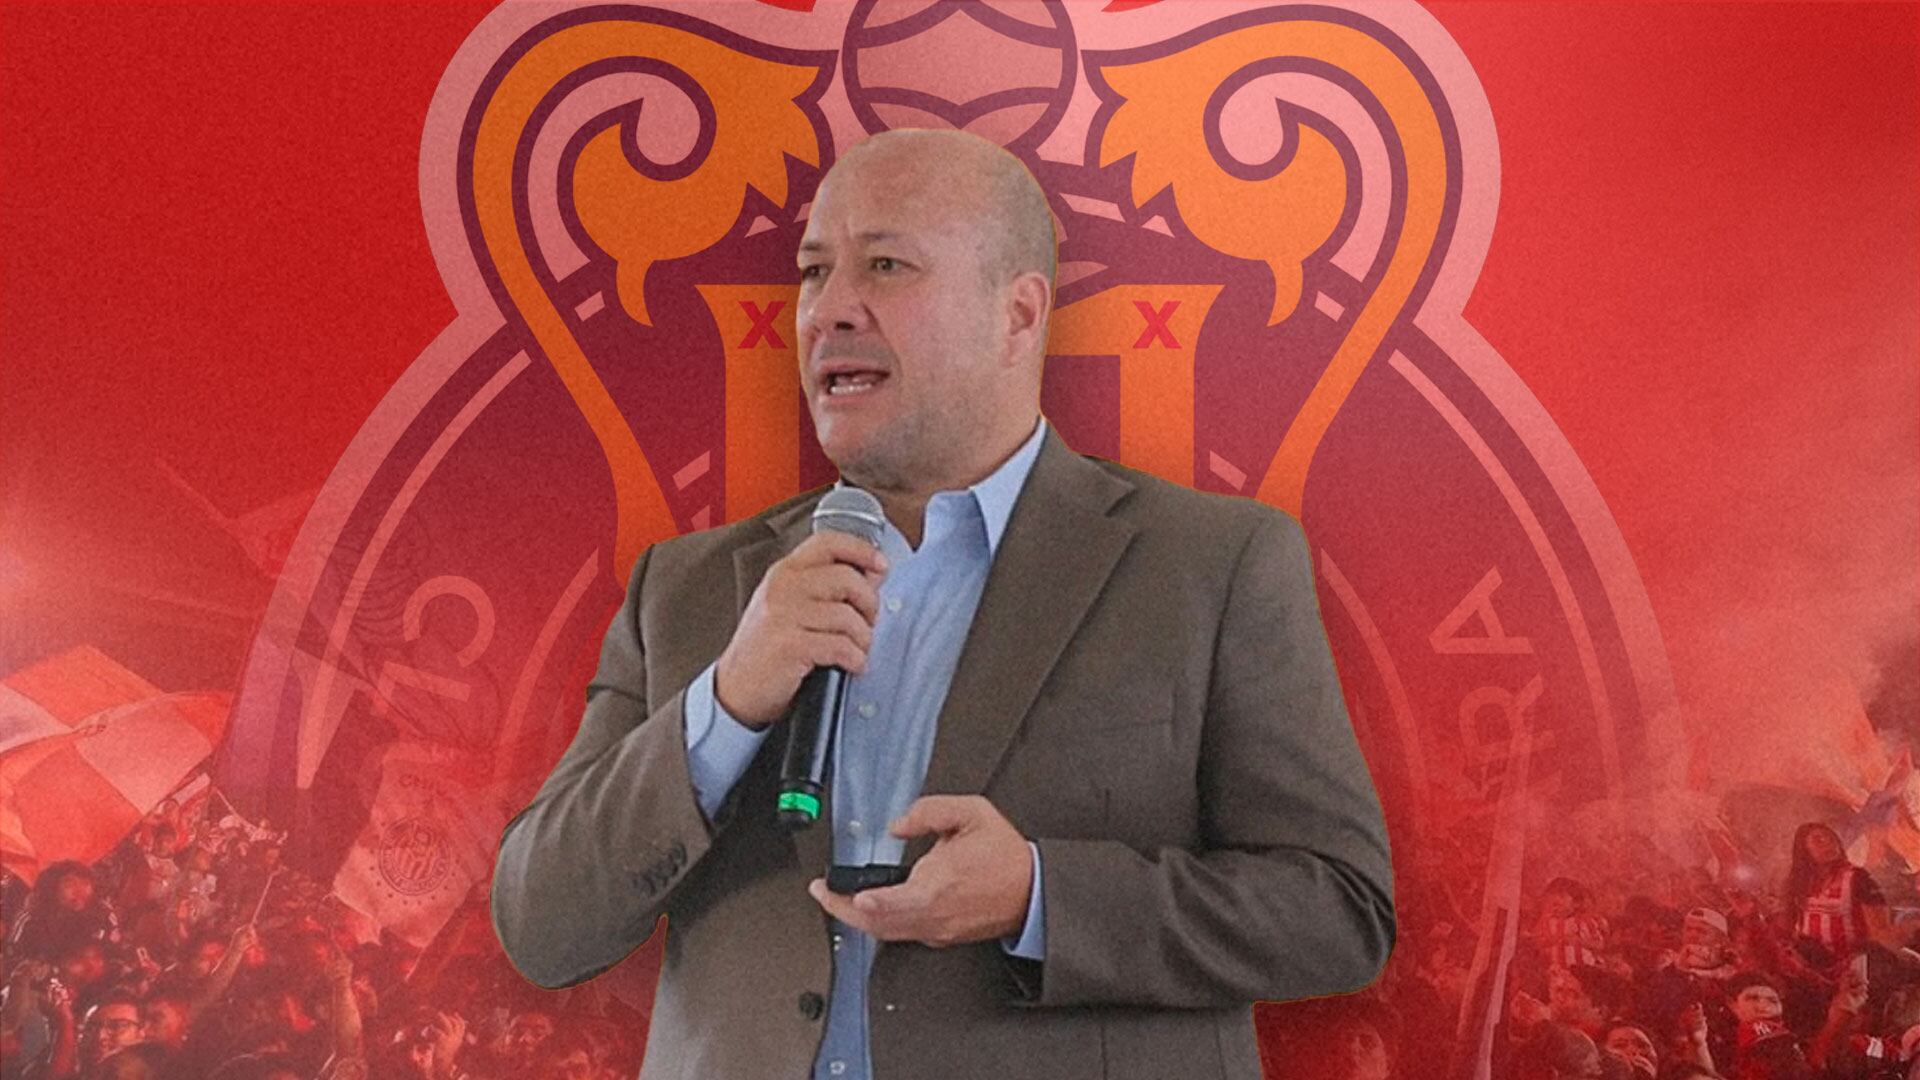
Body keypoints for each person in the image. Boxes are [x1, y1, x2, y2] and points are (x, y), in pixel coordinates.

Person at [490, 127, 1395, 1079]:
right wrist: (727, 703)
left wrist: (1041, 896)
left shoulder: (1215, 565)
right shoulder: (687, 588)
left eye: (885, 266)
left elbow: (1339, 910)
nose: (829, 310)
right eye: (813, 272)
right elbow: (540, 924)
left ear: (1019, 314)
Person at [1786, 822, 1889, 974]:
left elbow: (1880, 932)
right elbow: (1794, 925)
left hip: (1849, 970)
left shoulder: (1858, 879)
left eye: (1831, 838)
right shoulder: (1800, 883)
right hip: (1809, 968)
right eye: (1818, 840)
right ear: (1804, 849)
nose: (1828, 843)